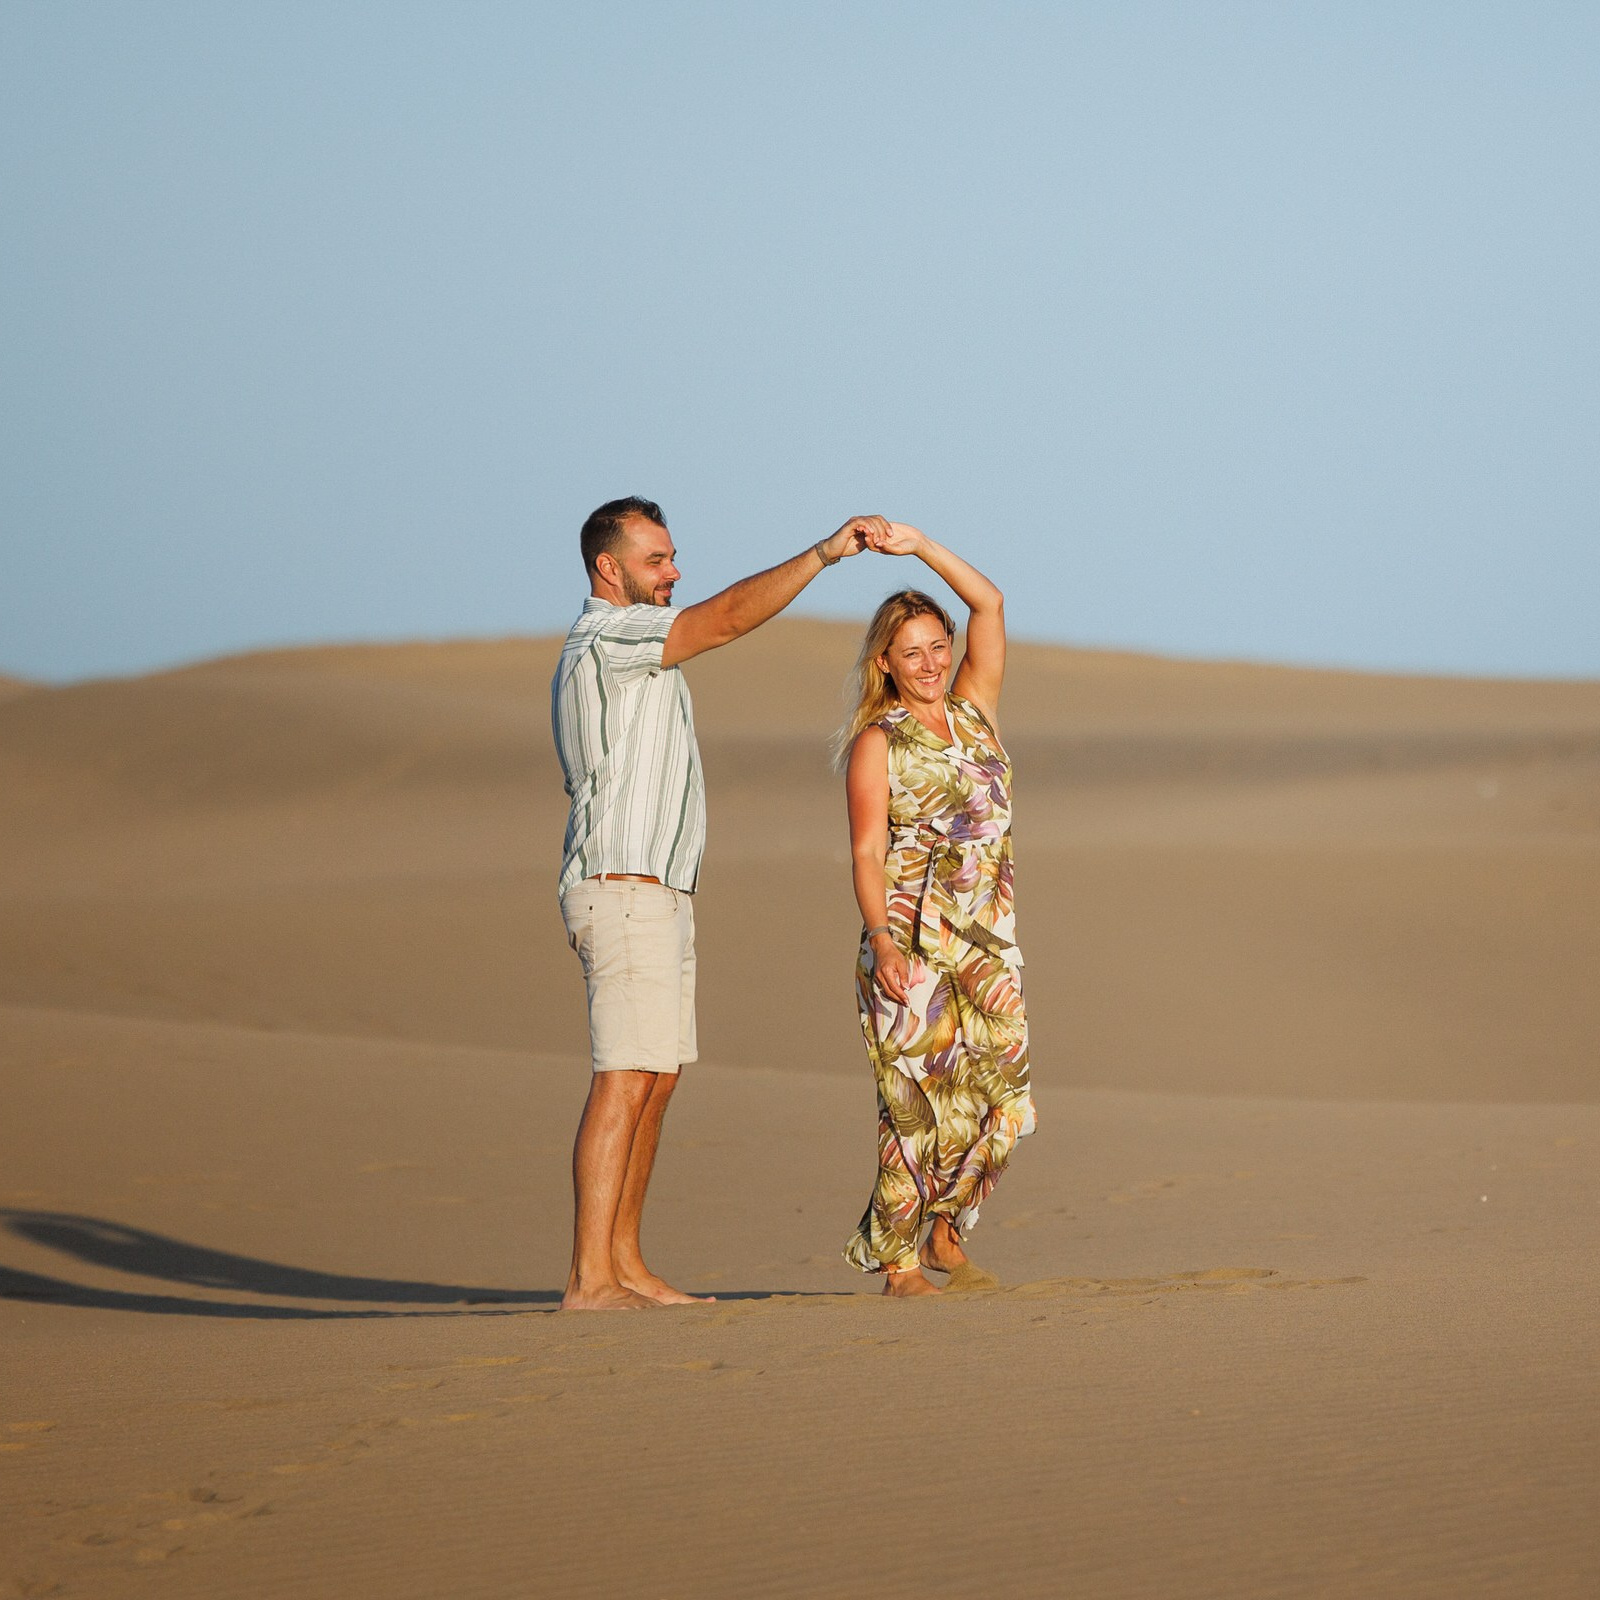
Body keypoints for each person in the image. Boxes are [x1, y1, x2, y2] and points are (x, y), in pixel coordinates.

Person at [552, 495, 888, 1311]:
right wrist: (822, 555)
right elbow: (729, 618)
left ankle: (625, 1264)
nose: (672, 573)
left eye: (671, 559)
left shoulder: (636, 649)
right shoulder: (611, 637)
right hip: (622, 884)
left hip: (660, 891)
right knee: (623, 1078)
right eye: (657, 560)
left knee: (655, 1080)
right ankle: (589, 1278)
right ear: (610, 568)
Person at [839, 523, 1035, 1296]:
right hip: (911, 945)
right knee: (917, 1108)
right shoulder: (876, 743)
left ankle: (950, 1226)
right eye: (911, 651)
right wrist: (884, 943)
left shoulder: (976, 711)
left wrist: (919, 546)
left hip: (987, 943)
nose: (930, 663)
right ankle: (898, 1264)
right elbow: (864, 853)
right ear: (885, 662)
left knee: (1004, 1101)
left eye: (937, 646)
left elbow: (988, 601)